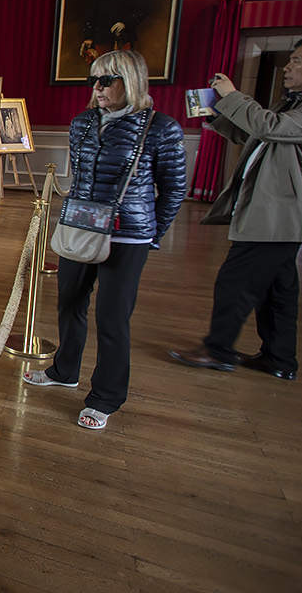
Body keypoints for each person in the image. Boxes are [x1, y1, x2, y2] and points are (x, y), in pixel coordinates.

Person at [168, 35, 302, 380]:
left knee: (235, 281)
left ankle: (218, 350)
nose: (288, 66)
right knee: (277, 289)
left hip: (282, 213)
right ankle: (279, 359)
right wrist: (215, 113)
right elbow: (257, 137)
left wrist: (233, 97)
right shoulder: (301, 101)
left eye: (297, 60)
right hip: (279, 213)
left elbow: (270, 127)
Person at [24, 50, 186, 430]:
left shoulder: (161, 128)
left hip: (128, 235)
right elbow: (80, 181)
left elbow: (174, 189)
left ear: (131, 81)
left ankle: (106, 397)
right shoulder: (81, 123)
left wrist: (150, 235)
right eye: (92, 80)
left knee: (112, 318)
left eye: (106, 80)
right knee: (69, 302)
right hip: (80, 226)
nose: (96, 88)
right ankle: (65, 371)